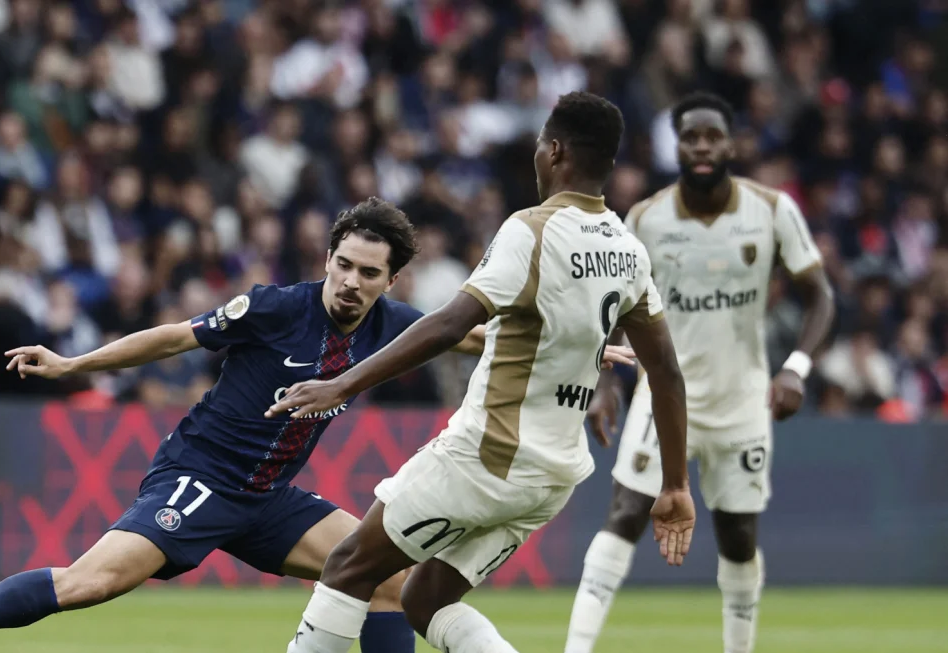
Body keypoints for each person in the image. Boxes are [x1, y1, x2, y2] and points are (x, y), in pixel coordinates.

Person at [0, 196, 638, 653]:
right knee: (91, 581)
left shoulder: (392, 325)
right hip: (199, 479)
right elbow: (177, 334)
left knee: (384, 581)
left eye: (367, 273)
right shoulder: (275, 306)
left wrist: (590, 345)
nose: (349, 281)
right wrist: (75, 364)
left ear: (389, 280)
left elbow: (474, 332)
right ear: (329, 257)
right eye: (342, 264)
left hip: (271, 497)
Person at [270, 91, 697, 653]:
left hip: (488, 456)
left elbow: (451, 325)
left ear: (555, 151)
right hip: (552, 476)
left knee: (349, 565)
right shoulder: (627, 249)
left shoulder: (532, 230)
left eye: (542, 146)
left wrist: (343, 383)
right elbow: (665, 371)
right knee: (425, 600)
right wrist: (674, 485)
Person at [563, 92, 835, 653]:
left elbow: (821, 295)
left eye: (713, 136)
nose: (703, 146)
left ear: (731, 143)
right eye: (691, 137)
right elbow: (615, 305)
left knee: (738, 537)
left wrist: (797, 369)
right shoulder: (647, 218)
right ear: (678, 145)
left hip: (743, 401)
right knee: (627, 511)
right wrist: (607, 380)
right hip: (663, 395)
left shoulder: (771, 210)